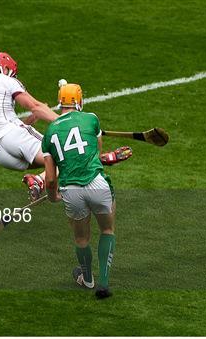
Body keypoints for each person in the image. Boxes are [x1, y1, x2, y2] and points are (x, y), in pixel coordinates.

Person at [41, 82, 132, 299]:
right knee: (107, 230)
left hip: (71, 191)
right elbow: (96, 152)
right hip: (97, 183)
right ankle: (104, 282)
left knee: (81, 239)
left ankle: (87, 278)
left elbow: (51, 178)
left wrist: (53, 196)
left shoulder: (49, 133)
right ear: (79, 101)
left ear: (59, 102)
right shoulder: (91, 119)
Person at [0, 52, 58, 200]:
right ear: (5, 69)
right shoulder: (4, 80)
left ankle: (42, 180)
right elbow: (34, 106)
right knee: (63, 153)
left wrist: (30, 120)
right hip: (13, 137)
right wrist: (67, 121)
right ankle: (40, 180)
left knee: (54, 164)